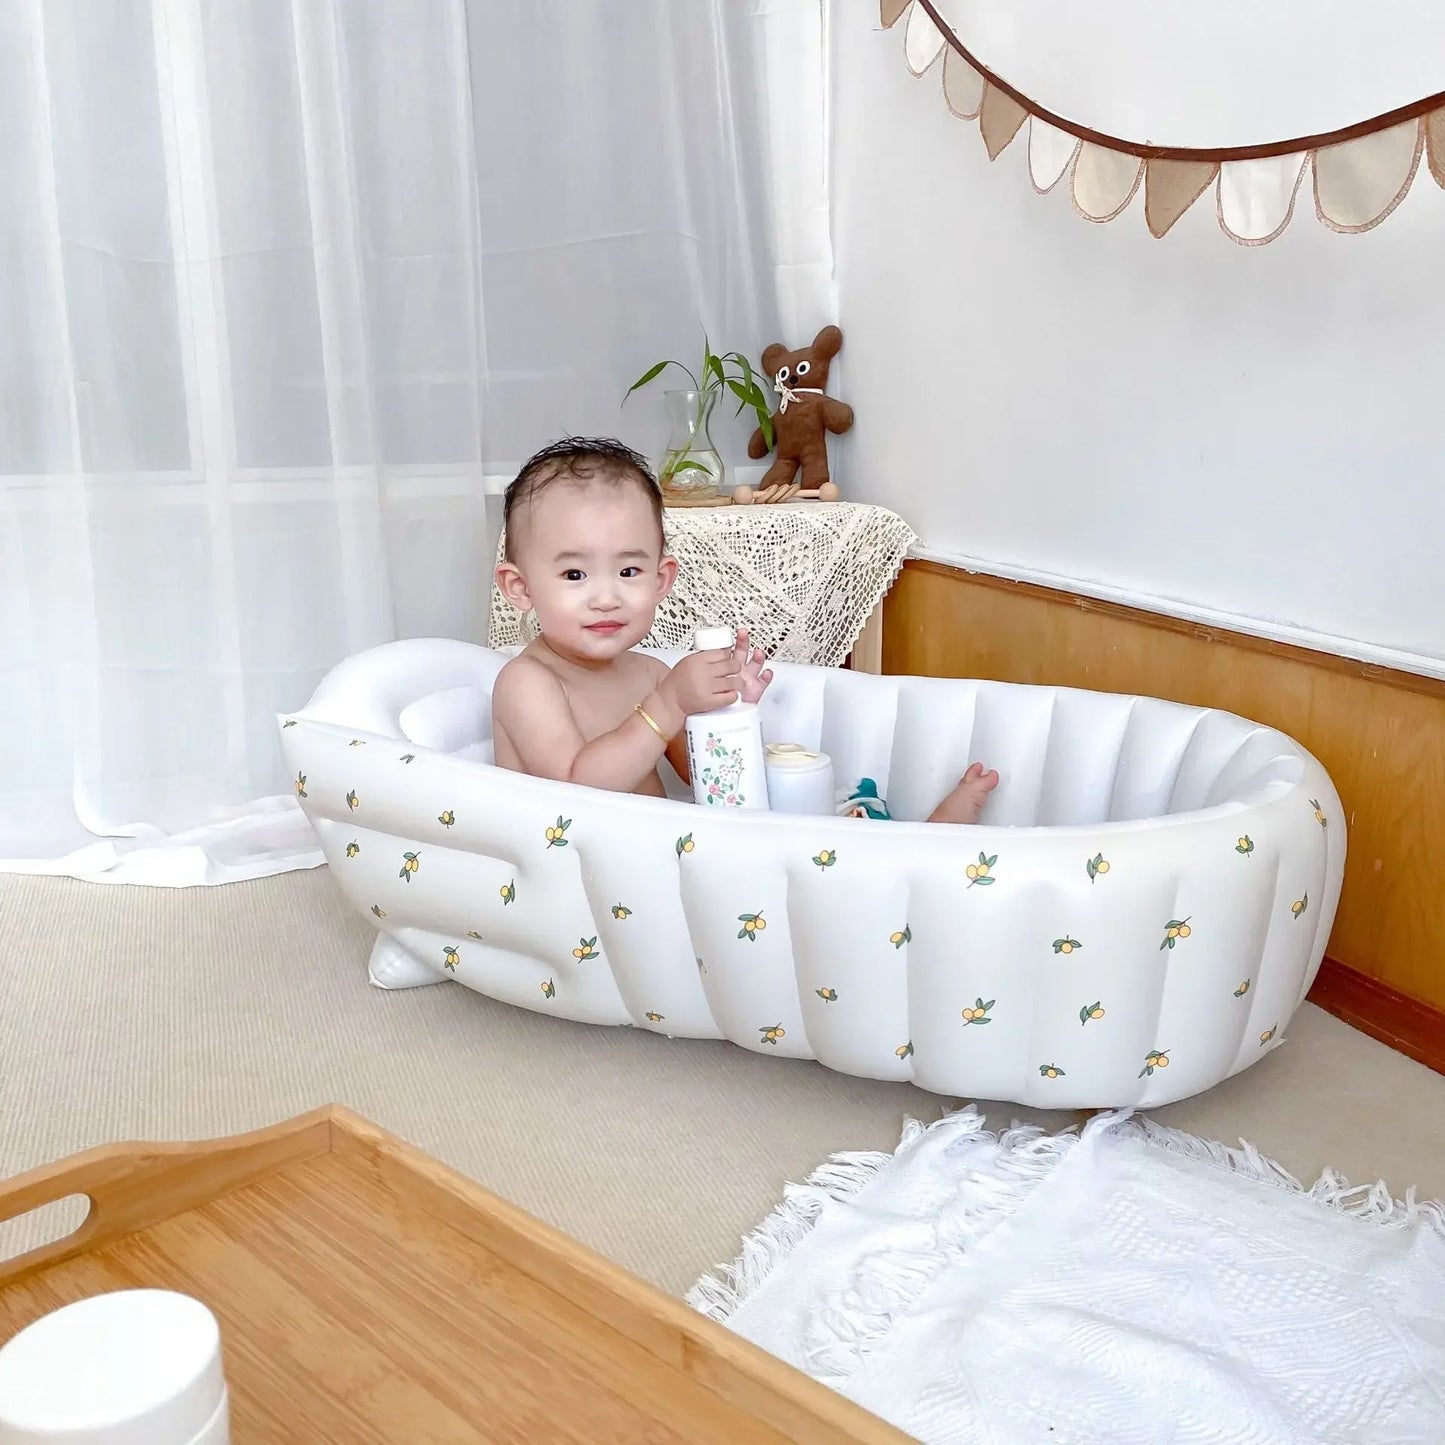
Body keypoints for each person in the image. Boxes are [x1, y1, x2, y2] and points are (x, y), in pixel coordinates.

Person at [491, 436, 999, 821]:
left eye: (629, 571)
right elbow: (573, 793)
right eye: (574, 574)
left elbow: (711, 786)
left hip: (649, 859)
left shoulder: (645, 674)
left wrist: (728, 715)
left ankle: (900, 843)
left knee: (789, 828)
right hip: (582, 883)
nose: (606, 596)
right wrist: (670, 704)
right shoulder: (528, 683)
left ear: (661, 579)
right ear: (520, 588)